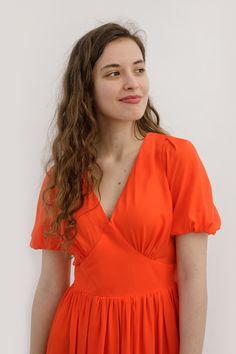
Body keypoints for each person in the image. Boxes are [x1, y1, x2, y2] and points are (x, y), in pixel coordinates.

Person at [29, 21, 221, 354]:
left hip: (153, 334)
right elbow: (50, 285)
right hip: (78, 335)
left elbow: (193, 281)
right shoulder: (62, 177)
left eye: (139, 69)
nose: (133, 84)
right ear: (86, 87)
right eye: (114, 73)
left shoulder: (176, 158)